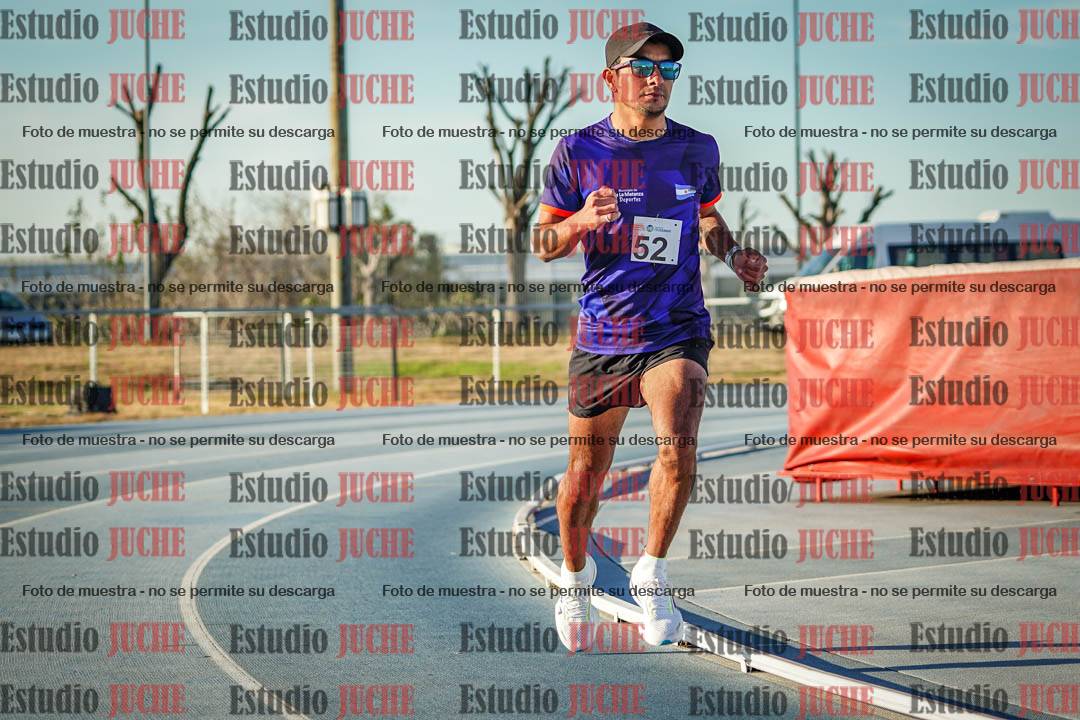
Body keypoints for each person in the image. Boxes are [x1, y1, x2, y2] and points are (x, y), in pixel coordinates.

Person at [533, 21, 768, 651]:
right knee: (585, 474)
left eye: (667, 70)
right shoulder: (577, 151)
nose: (656, 80)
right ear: (611, 79)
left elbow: (708, 216)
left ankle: (652, 574)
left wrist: (733, 253)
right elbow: (543, 241)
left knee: (678, 445)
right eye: (643, 69)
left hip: (676, 323)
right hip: (605, 332)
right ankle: (575, 579)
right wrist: (580, 221)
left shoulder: (697, 148)